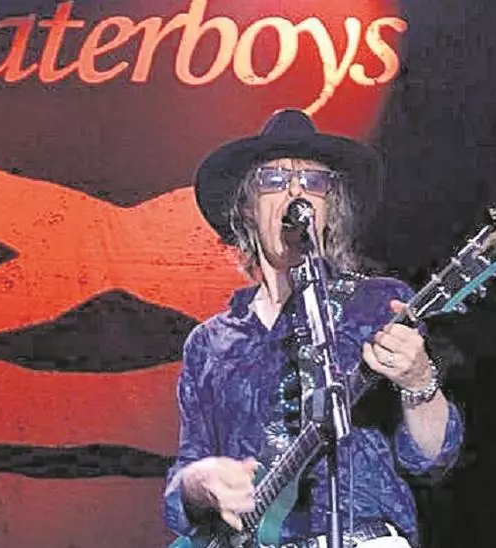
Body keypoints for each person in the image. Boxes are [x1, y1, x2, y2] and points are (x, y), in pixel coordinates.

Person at [163, 109, 465, 548]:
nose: (295, 191)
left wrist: (419, 380)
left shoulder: (376, 304)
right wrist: (198, 482)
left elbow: (432, 458)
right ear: (246, 208)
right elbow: (181, 489)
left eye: (313, 181)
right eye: (273, 179)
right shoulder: (210, 343)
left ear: (328, 208)